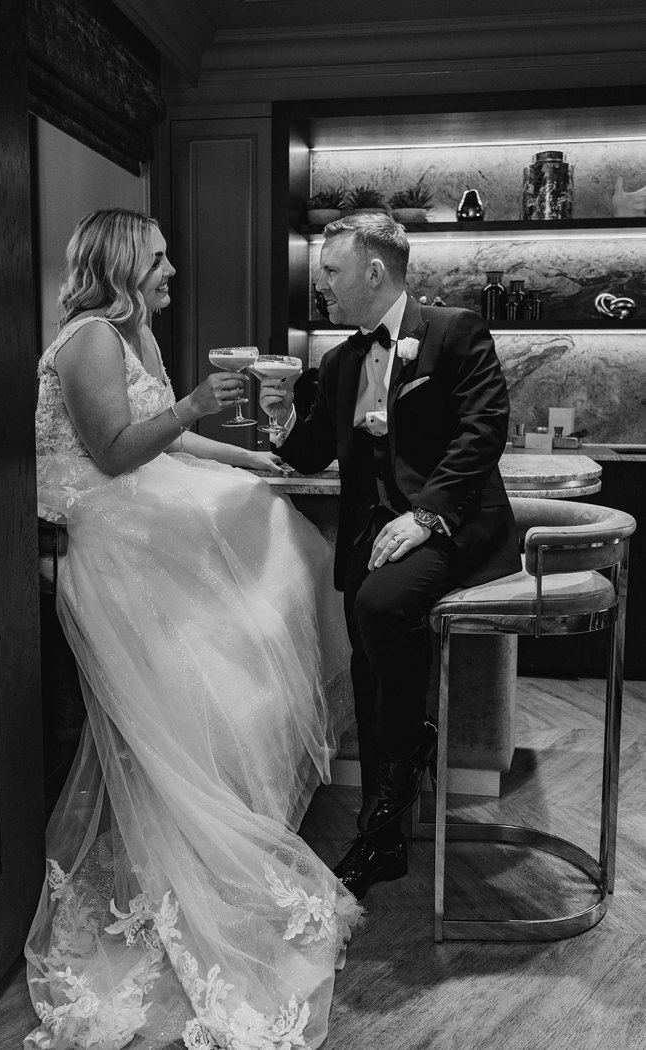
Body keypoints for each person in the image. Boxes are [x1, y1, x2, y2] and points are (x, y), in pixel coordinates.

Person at [25, 208, 361, 1050]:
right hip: (104, 529)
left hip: (143, 505)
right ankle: (206, 814)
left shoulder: (134, 336)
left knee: (281, 534)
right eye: (163, 260)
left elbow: (175, 447)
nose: (173, 273)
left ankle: (241, 769)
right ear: (128, 262)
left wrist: (253, 460)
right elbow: (112, 449)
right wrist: (193, 404)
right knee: (251, 588)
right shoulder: (91, 337)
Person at [259, 213, 520, 902]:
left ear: (373, 272)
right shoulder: (340, 362)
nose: (323, 287)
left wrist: (426, 515)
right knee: (370, 672)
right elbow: (310, 449)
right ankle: (386, 840)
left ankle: (401, 777)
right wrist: (279, 414)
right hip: (367, 541)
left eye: (331, 272)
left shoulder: (456, 330)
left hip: (451, 529)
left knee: (380, 606)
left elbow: (483, 429)